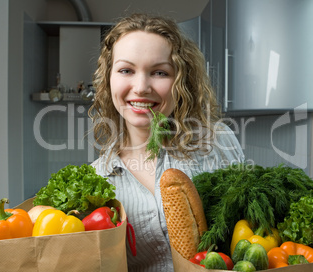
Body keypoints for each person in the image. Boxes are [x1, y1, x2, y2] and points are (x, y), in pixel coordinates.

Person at [89, 13, 245, 271]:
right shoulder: (97, 179)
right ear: (108, 79)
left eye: (159, 72)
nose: (141, 87)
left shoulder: (217, 143)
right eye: (126, 70)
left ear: (180, 81)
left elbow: (253, 240)